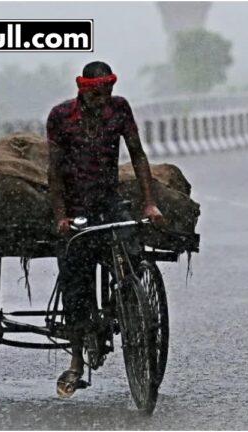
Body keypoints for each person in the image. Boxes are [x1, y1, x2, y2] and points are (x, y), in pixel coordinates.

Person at [47, 61, 164, 398]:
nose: (104, 98)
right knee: (75, 277)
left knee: (131, 253)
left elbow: (138, 155)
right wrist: (61, 216)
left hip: (109, 203)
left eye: (108, 91)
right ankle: (76, 358)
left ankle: (128, 305)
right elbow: (54, 171)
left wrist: (149, 203)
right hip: (75, 209)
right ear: (84, 90)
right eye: (98, 92)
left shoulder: (120, 109)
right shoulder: (61, 117)